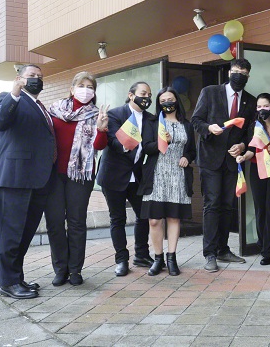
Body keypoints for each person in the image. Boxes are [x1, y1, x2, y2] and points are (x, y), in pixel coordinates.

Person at [0, 64, 56, 299]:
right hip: (14, 177)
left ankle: (14, 277)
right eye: (31, 76)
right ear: (19, 79)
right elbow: (0, 122)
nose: (37, 79)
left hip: (36, 180)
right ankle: (8, 283)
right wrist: (15, 93)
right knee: (10, 233)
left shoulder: (41, 107)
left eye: (40, 76)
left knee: (24, 233)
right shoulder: (10, 98)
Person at [191, 59, 257, 272]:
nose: (240, 75)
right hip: (210, 159)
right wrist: (209, 128)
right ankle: (210, 253)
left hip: (232, 161)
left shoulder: (250, 100)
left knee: (228, 205)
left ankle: (223, 248)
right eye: (237, 71)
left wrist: (242, 145)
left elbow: (249, 132)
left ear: (248, 76)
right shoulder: (210, 92)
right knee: (212, 204)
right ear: (229, 72)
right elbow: (196, 120)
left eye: (245, 72)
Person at [45, 71, 108, 287]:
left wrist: (101, 129)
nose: (85, 89)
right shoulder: (54, 110)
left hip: (80, 176)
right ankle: (60, 269)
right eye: (81, 85)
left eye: (90, 86)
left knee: (76, 222)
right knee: (54, 222)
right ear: (72, 89)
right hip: (53, 175)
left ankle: (75, 271)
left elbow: (99, 147)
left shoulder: (95, 114)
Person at [97, 81, 156, 277]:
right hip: (113, 175)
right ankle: (121, 260)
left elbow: (150, 146)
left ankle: (141, 254)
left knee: (144, 215)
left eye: (149, 94)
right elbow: (112, 141)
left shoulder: (151, 119)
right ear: (131, 95)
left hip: (137, 176)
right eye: (142, 93)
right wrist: (126, 144)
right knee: (118, 219)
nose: (146, 97)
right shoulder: (115, 114)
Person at [138, 87, 196, 276]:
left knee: (173, 217)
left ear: (177, 101)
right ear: (159, 104)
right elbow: (146, 148)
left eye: (170, 99)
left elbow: (192, 149)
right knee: (154, 220)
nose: (167, 103)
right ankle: (158, 258)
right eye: (163, 101)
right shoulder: (152, 122)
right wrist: (162, 142)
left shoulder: (186, 124)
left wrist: (187, 157)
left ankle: (172, 258)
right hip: (156, 174)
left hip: (178, 174)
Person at [235, 93, 270, 265]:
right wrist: (243, 157)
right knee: (260, 208)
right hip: (258, 169)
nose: (262, 110)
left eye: (266, 106)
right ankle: (263, 246)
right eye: (259, 107)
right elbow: (251, 149)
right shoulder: (254, 127)